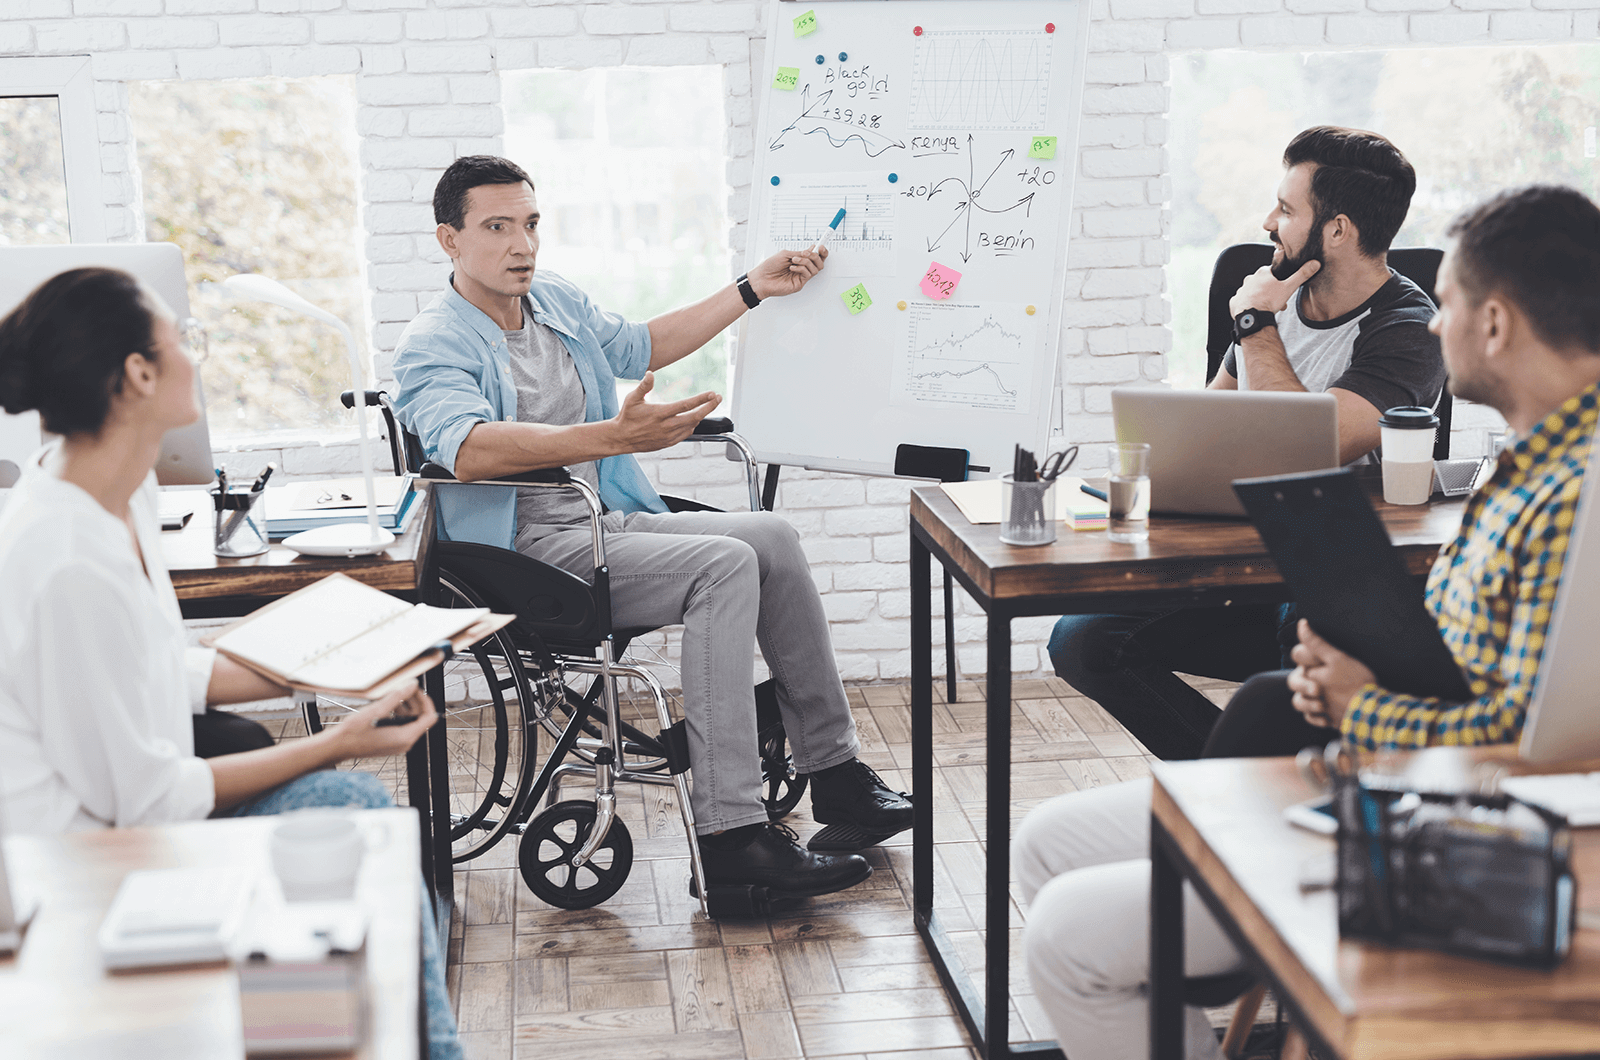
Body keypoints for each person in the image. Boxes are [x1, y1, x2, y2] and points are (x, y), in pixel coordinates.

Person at [1015, 183, 1600, 1060]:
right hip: (1378, 772)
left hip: (1442, 820)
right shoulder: (1522, 469)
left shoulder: (1574, 495)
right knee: (1046, 839)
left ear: (1497, 325)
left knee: (1069, 931)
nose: (1437, 329)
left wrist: (1360, 704)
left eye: (1448, 308)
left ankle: (1215, 930)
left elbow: (1537, 740)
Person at [390, 155, 911, 899]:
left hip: (598, 523)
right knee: (725, 566)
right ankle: (731, 838)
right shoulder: (433, 342)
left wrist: (750, 290)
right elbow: (467, 449)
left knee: (772, 537)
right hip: (519, 555)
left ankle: (835, 776)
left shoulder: (555, 301)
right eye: (497, 228)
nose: (521, 246)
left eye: (531, 224)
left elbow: (641, 346)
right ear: (449, 239)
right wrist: (611, 437)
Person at [0, 267, 463, 1060]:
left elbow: (161, 670)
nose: (196, 358)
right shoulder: (64, 556)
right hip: (81, 867)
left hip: (132, 815)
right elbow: (146, 802)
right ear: (138, 374)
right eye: (184, 341)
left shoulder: (122, 493)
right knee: (361, 817)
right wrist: (340, 737)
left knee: (361, 823)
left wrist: (341, 661)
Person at [1049, 126, 1447, 760]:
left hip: (1335, 575)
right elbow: (1208, 422)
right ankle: (1230, 779)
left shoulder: (1408, 327)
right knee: (1084, 640)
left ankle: (1264, 790)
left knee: (1304, 631)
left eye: (1287, 210)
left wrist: (1257, 323)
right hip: (1242, 552)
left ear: (1338, 230)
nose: (1269, 223)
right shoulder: (1275, 296)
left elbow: (1308, 452)